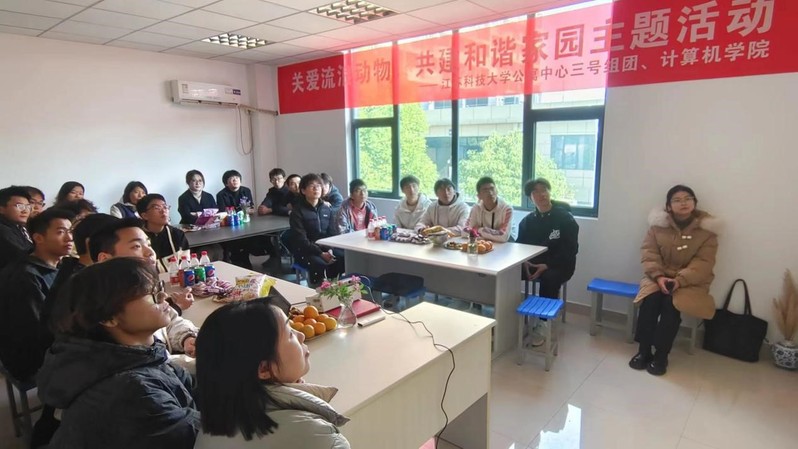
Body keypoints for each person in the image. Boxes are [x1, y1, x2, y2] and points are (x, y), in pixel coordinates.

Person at [38, 258, 200, 449]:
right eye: (151, 293)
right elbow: (204, 437)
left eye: (159, 287)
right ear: (109, 317)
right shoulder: (133, 391)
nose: (163, 295)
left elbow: (189, 387)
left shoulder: (139, 355)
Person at [194, 301, 350, 449]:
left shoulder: (210, 424)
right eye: (290, 334)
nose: (301, 335)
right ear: (264, 369)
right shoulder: (316, 435)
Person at [630, 185, 719, 376]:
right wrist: (659, 276)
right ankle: (643, 350)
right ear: (669, 206)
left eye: (688, 199)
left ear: (694, 203)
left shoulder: (707, 231)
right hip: (657, 277)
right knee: (650, 301)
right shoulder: (657, 227)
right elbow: (649, 253)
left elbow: (703, 263)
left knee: (671, 305)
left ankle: (661, 355)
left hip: (690, 282)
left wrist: (680, 280)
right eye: (677, 200)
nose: (683, 203)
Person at [0, 208, 73, 382]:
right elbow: (37, 332)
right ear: (38, 238)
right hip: (32, 357)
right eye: (61, 232)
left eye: (70, 231)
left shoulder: (59, 266)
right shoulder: (26, 277)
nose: (69, 238)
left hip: (53, 342)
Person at [516, 178, 579, 300]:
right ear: (530, 198)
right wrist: (524, 262)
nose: (542, 194)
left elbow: (571, 249)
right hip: (533, 262)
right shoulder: (527, 221)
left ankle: (544, 312)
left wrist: (548, 265)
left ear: (549, 192)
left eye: (544, 190)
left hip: (559, 264)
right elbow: (520, 247)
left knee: (549, 278)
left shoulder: (565, 218)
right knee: (508, 272)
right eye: (536, 192)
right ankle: (508, 308)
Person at [288, 174, 344, 285]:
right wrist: (321, 253)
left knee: (343, 258)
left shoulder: (326, 209)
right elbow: (301, 240)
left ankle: (336, 289)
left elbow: (332, 234)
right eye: (311, 186)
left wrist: (330, 250)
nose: (316, 188)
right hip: (305, 251)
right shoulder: (297, 212)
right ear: (303, 191)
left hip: (325, 248)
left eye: (318, 185)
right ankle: (318, 290)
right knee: (320, 265)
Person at [136, 194, 189, 268]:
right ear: (145, 215)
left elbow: (186, 263)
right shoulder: (138, 239)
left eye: (165, 207)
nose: (163, 211)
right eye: (156, 208)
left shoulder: (177, 234)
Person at [465, 176, 515, 242]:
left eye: (492, 189)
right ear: (479, 196)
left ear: (497, 191)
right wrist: (495, 234)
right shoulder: (476, 208)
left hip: (506, 245)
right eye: (485, 190)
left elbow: (503, 237)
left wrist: (479, 229)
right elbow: (464, 231)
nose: (490, 193)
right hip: (484, 243)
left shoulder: (507, 209)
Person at [0, 186, 34, 271]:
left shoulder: (21, 227)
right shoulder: (3, 230)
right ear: (1, 209)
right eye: (19, 206)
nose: (25, 211)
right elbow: (23, 256)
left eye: (27, 207)